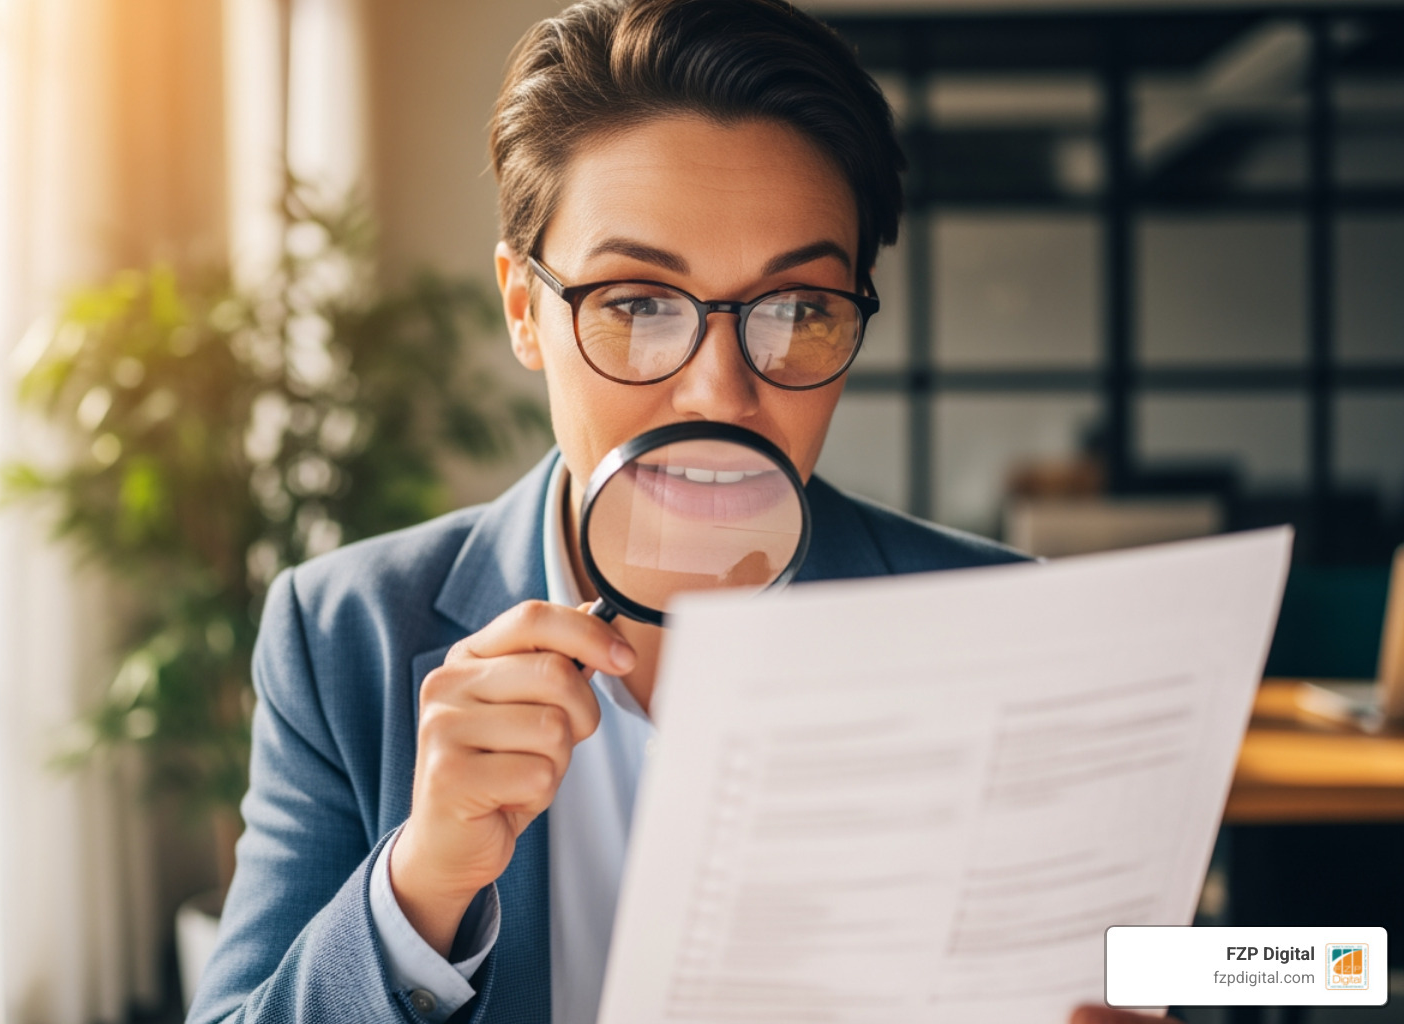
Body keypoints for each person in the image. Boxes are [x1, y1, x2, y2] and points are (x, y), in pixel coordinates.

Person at [188, 2, 1167, 1022]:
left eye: (797, 311)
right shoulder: (345, 635)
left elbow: (1284, 969)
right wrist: (418, 888)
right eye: (638, 303)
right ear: (526, 310)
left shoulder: (1008, 626)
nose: (720, 395)